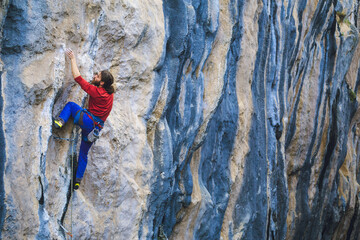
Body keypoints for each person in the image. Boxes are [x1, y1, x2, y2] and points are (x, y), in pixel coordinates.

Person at [54, 48, 115, 190]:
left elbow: (77, 77)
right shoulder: (110, 94)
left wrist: (73, 59)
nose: (95, 76)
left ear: (102, 84)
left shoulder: (97, 91)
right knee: (83, 154)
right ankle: (77, 181)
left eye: (97, 76)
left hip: (87, 120)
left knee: (70, 105)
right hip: (95, 130)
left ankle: (60, 122)